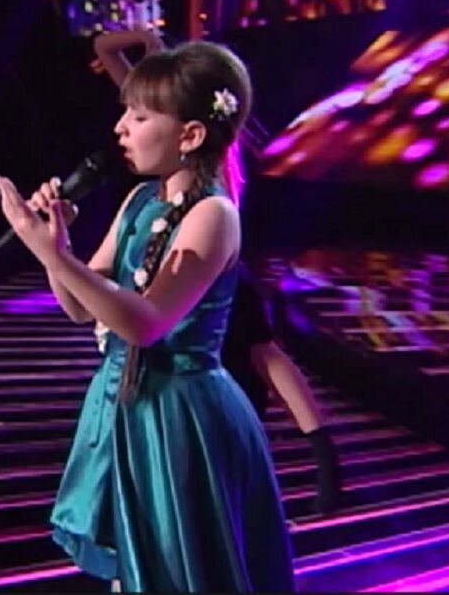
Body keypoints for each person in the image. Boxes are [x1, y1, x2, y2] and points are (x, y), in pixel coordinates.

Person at [0, 40, 294, 591]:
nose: (120, 128)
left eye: (138, 116)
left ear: (190, 135)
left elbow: (146, 322)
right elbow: (80, 308)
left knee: (182, 567)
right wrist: (56, 249)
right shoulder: (137, 203)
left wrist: (54, 256)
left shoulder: (215, 214)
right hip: (122, 404)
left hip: (181, 416)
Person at [93, 29, 343, 515]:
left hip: (212, 253)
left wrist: (151, 46)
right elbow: (106, 50)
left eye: (141, 114)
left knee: (261, 349)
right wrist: (147, 42)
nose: (126, 125)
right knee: (256, 351)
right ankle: (318, 447)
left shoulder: (210, 160)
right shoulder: (169, 128)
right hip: (186, 249)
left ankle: (321, 446)